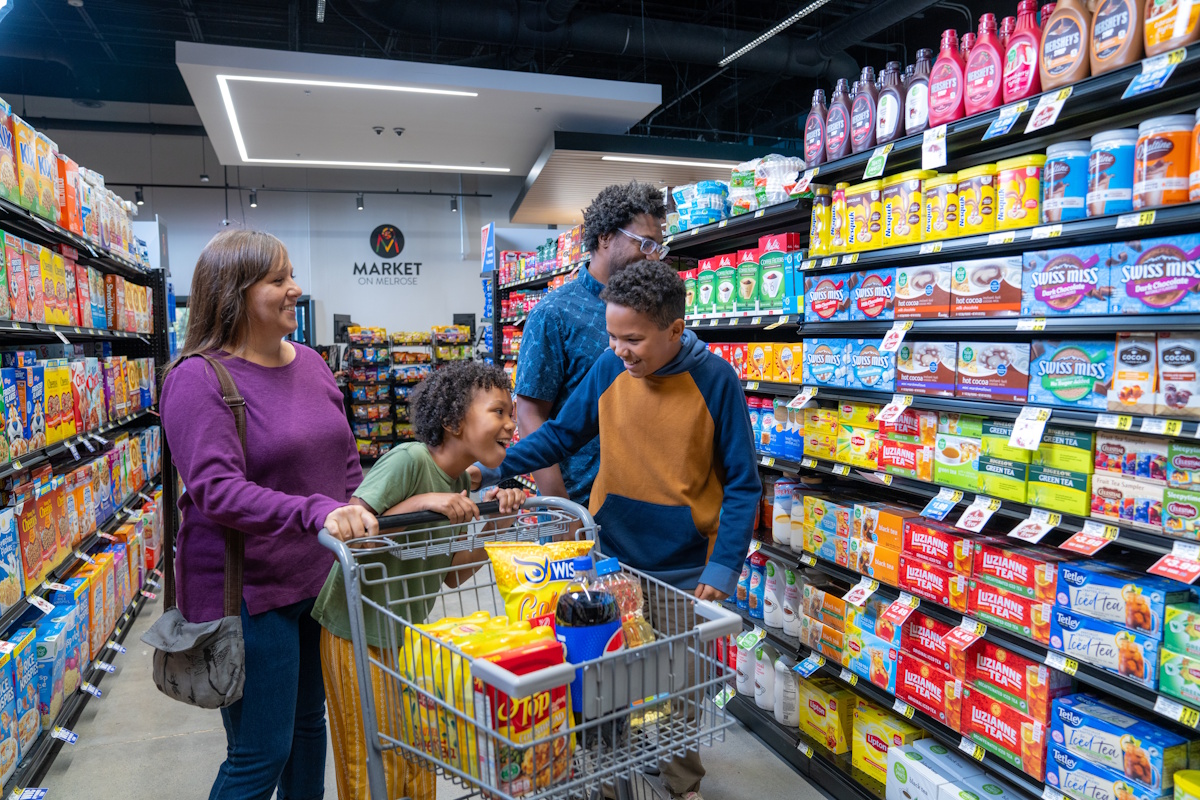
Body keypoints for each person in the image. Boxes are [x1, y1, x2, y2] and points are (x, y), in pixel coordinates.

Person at [474, 260, 760, 800]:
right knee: (606, 678)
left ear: (675, 330)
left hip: (684, 567)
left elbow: (744, 484)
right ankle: (610, 778)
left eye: (633, 338)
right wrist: (488, 468)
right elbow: (560, 434)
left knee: (683, 682)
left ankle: (681, 784)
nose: (620, 348)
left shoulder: (716, 381)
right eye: (611, 335)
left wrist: (723, 566)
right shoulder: (610, 369)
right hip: (609, 558)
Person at [160, 229, 377, 800]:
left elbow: (344, 461)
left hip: (319, 579)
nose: (295, 290)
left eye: (292, 277)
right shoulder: (197, 378)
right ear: (234, 294)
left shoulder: (309, 363)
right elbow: (216, 490)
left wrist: (362, 510)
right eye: (278, 280)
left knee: (310, 730)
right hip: (250, 592)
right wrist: (315, 513)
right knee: (260, 753)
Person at [312, 361, 526, 800]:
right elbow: (355, 535)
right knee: (371, 757)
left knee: (414, 754)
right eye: (499, 412)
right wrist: (425, 501)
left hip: (402, 634)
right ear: (452, 422)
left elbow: (454, 574)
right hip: (354, 631)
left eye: (512, 414)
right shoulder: (410, 460)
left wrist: (499, 521)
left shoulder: (460, 482)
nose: (511, 424)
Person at [515, 181, 667, 506]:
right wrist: (562, 509)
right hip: (581, 503)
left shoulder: (655, 312)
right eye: (645, 243)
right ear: (605, 237)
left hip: (645, 501)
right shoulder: (554, 314)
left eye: (659, 247)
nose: (654, 258)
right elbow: (530, 415)